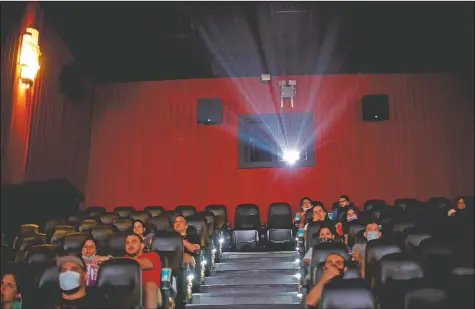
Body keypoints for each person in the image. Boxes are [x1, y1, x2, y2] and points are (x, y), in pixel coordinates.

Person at [124, 232, 162, 309]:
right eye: (127, 243)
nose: (130, 245)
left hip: (151, 291)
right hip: (128, 291)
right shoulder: (123, 258)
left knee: (150, 285)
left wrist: (110, 259)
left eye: (134, 242)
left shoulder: (152, 255)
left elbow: (146, 264)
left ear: (142, 246)